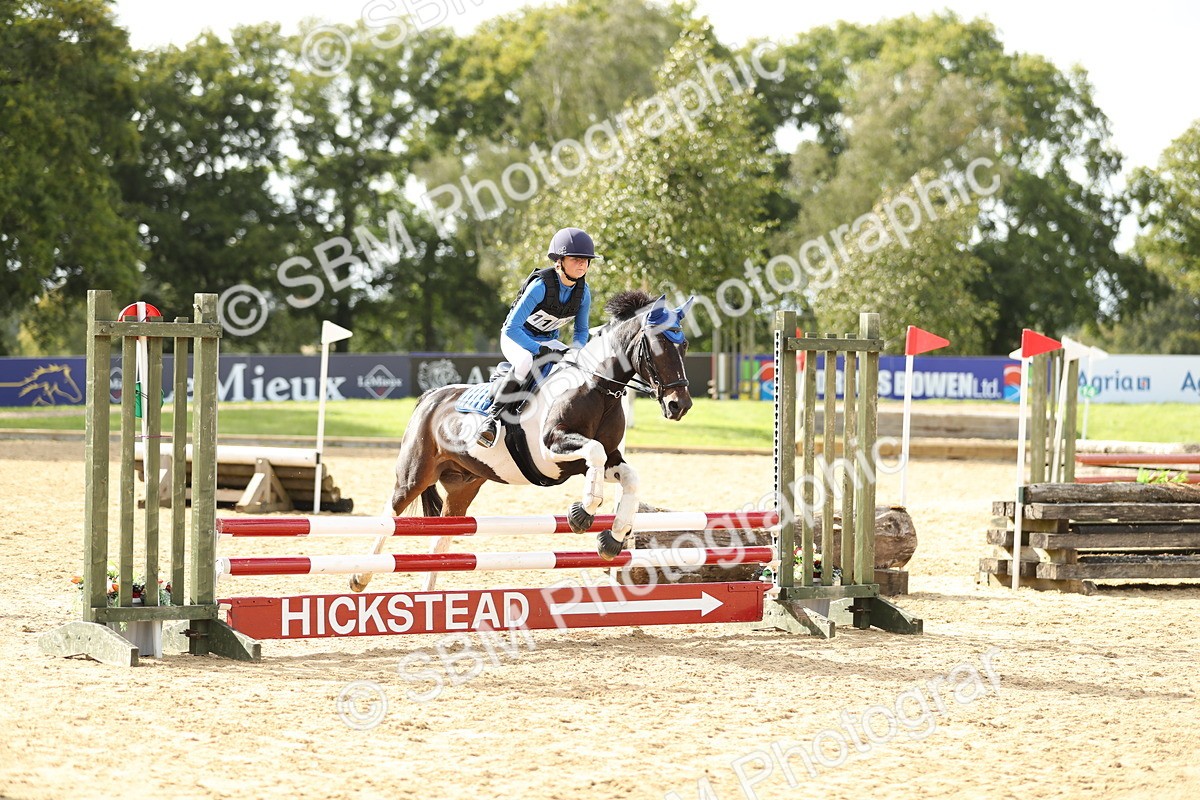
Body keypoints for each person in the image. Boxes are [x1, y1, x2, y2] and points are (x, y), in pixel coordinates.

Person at [475, 227, 597, 447]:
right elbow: (512, 328)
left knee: (577, 365)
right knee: (524, 361)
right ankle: (491, 419)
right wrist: (537, 349)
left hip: (547, 340)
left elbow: (581, 331)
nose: (582, 264)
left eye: (586, 260)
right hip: (516, 337)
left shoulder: (583, 293)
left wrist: (576, 352)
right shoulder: (540, 287)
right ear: (559, 261)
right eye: (575, 259)